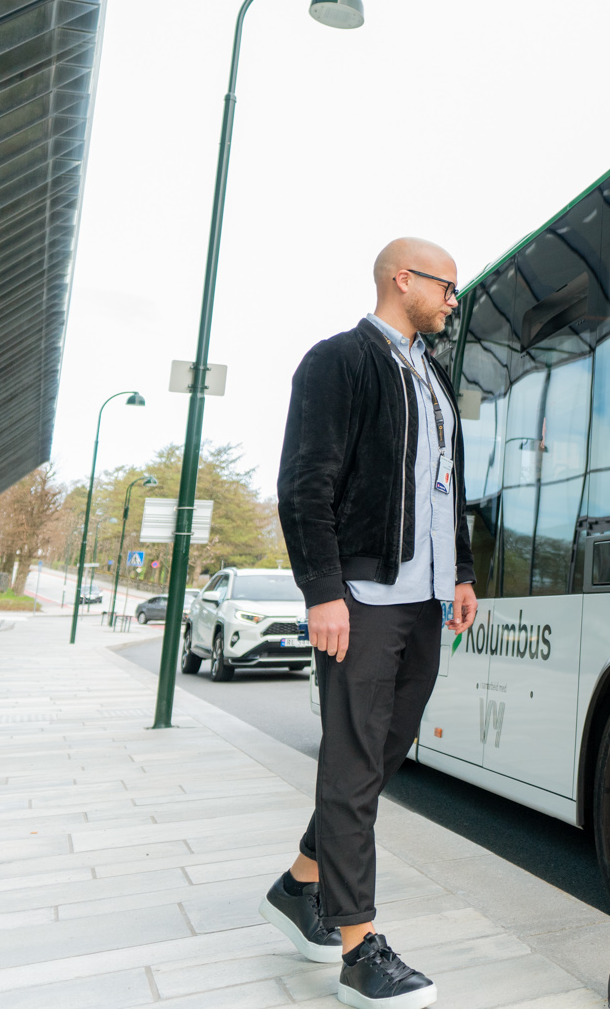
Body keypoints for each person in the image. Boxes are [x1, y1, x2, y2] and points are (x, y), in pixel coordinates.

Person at [266, 238, 479, 1009]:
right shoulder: (339, 361)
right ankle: (358, 946)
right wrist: (322, 588)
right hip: (360, 595)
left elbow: (446, 488)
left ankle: (301, 883)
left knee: (386, 751)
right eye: (447, 287)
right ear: (404, 280)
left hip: (423, 598)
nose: (453, 301)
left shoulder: (431, 376)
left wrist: (459, 571)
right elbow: (304, 481)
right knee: (354, 762)